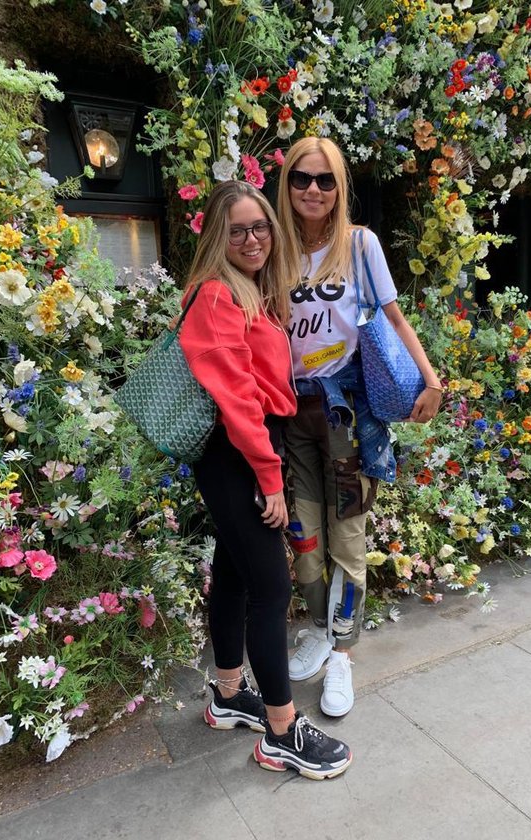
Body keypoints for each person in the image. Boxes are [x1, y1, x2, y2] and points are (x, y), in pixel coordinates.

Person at [179, 180, 352, 779]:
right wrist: (270, 479)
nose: (252, 239)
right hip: (238, 453)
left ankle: (228, 695)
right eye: (237, 230)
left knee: (233, 573)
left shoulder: (249, 290)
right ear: (216, 237)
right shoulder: (216, 296)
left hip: (247, 450)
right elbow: (238, 399)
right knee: (272, 589)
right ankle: (281, 732)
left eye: (260, 227)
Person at [277, 138, 443, 717]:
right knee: (303, 536)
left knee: (347, 536)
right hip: (290, 414)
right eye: (302, 178)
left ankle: (342, 651)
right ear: (287, 183)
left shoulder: (358, 244)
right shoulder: (274, 249)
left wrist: (431, 380)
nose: (313, 190)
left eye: (326, 180)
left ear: (340, 187)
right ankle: (321, 630)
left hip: (347, 414)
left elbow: (393, 316)